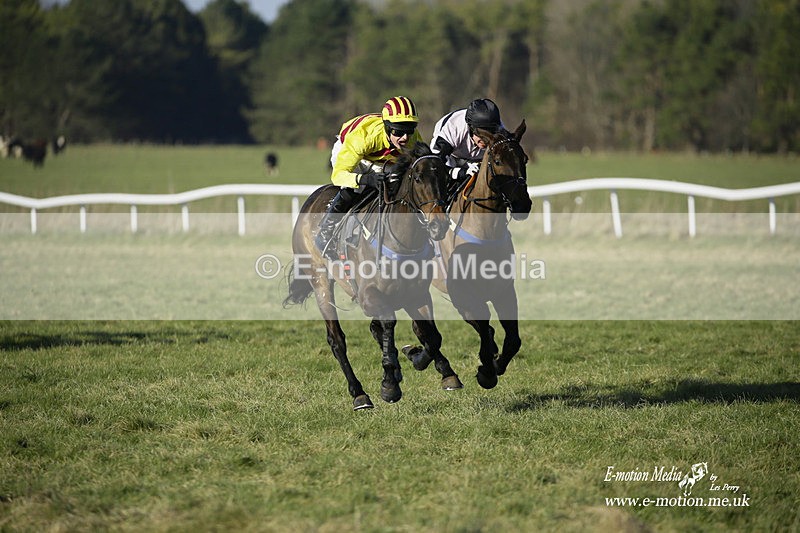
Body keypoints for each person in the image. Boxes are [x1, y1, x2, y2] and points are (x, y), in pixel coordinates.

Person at [316, 96, 422, 259]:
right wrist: (365, 179)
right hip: (350, 150)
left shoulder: (412, 139)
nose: (405, 138)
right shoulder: (363, 137)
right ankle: (326, 232)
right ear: (387, 128)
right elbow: (338, 176)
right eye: (399, 132)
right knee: (355, 187)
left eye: (409, 130)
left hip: (382, 157)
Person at [430, 98, 505, 194]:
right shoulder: (453, 128)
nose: (485, 140)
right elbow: (434, 166)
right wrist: (460, 172)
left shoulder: (500, 131)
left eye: (490, 133)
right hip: (449, 156)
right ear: (470, 127)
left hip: (476, 159)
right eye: (481, 134)